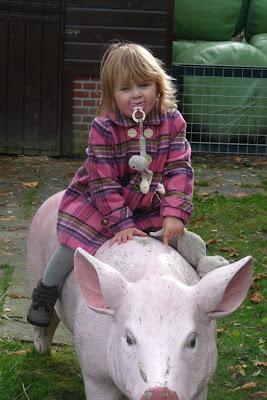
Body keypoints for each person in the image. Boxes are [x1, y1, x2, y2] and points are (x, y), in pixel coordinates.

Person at [27, 42, 227, 328]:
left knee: (175, 233)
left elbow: (178, 167)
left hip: (144, 201)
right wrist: (120, 223)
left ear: (158, 86)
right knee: (75, 240)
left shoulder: (172, 122)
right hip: (99, 200)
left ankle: (202, 268)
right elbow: (103, 181)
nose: (136, 94)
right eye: (125, 89)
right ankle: (46, 290)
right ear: (112, 95)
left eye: (144, 85)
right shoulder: (104, 128)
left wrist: (174, 212)